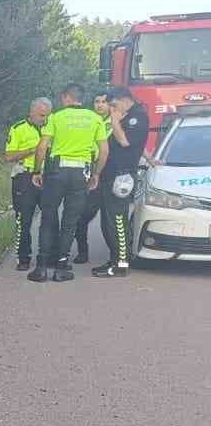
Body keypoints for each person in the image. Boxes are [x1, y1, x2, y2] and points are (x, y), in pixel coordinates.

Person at [28, 84, 108, 283]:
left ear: (66, 97)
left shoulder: (56, 117)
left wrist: (37, 171)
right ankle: (62, 267)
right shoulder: (95, 119)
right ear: (82, 98)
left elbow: (42, 147)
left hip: (56, 172)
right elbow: (104, 151)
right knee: (70, 221)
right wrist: (96, 174)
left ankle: (41, 268)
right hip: (81, 173)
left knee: (48, 217)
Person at [92, 87, 152, 277]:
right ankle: (114, 259)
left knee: (118, 220)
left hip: (122, 175)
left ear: (125, 99)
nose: (111, 108)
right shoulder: (125, 116)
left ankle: (120, 265)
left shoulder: (137, 116)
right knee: (107, 221)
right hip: (109, 174)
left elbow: (126, 142)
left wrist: (115, 121)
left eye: (113, 104)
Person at [4, 97, 50, 270]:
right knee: (23, 219)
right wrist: (34, 149)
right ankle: (23, 258)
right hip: (24, 176)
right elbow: (8, 156)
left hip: (47, 177)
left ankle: (47, 256)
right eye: (40, 115)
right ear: (31, 112)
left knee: (50, 218)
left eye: (46, 116)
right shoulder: (18, 129)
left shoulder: (51, 127)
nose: (43, 119)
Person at [72, 90, 111, 263]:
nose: (100, 105)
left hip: (110, 175)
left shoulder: (117, 122)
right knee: (81, 217)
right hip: (90, 174)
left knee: (110, 221)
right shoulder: (87, 120)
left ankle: (117, 257)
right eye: (97, 101)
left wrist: (150, 158)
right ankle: (83, 252)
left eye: (104, 101)